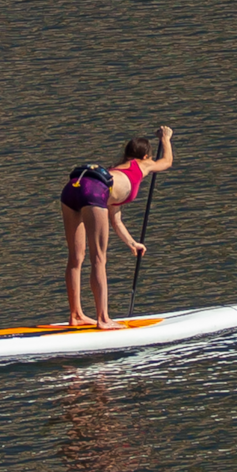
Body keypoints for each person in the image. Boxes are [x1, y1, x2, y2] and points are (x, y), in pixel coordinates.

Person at [57, 129, 172, 327]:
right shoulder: (143, 164)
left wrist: (132, 243)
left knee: (75, 258)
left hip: (73, 187)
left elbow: (115, 220)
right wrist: (166, 138)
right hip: (94, 192)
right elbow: (166, 162)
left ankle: (76, 315)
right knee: (98, 259)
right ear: (145, 156)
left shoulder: (113, 171)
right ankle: (103, 319)